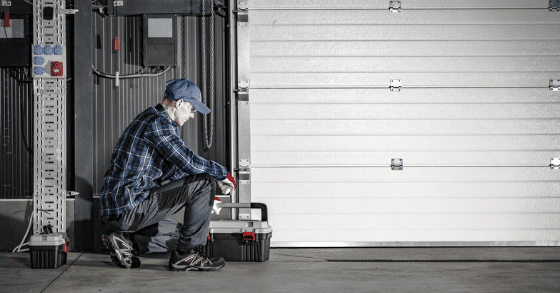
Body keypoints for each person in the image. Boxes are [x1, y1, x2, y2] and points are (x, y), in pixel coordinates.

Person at [99, 79, 236, 271]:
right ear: (179, 103)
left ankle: (126, 243)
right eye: (192, 109)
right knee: (204, 182)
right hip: (129, 207)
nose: (192, 116)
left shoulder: (151, 119)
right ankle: (186, 256)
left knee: (179, 235)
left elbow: (175, 170)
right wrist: (222, 174)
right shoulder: (158, 123)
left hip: (122, 209)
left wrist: (202, 194)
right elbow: (188, 161)